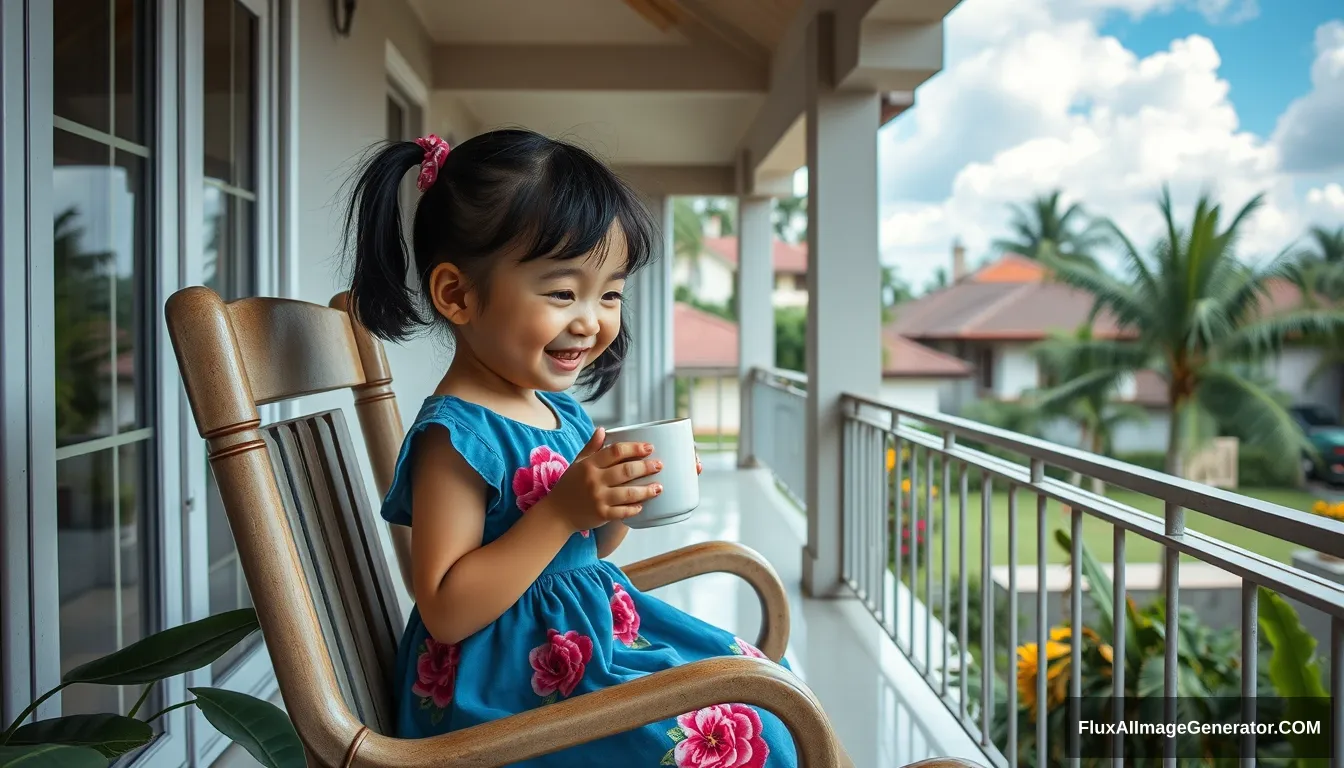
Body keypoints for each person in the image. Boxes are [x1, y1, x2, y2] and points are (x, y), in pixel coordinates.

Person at [342, 128, 799, 767]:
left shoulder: (554, 407)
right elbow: (446, 608)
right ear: (458, 295)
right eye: (563, 292)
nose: (592, 320)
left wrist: (614, 504)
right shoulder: (457, 436)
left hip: (587, 642)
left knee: (770, 689)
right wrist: (562, 511)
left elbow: (588, 547)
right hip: (506, 696)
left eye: (608, 293)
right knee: (757, 738)